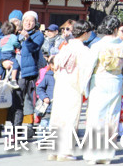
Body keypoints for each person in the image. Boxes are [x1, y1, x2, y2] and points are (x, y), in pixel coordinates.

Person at [77, 15, 123, 163]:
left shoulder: (98, 45)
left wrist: (85, 86)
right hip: (116, 81)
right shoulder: (122, 45)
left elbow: (89, 68)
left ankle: (92, 153)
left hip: (99, 82)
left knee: (95, 116)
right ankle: (106, 154)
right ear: (115, 28)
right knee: (111, 117)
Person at [49, 20, 94, 160]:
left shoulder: (66, 46)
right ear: (85, 33)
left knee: (57, 116)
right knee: (70, 117)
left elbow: (55, 63)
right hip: (74, 85)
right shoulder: (84, 50)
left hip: (61, 84)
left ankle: (53, 150)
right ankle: (65, 151)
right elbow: (87, 71)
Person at [15, 10, 45, 139]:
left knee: (28, 100)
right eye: (26, 20)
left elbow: (34, 48)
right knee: (16, 101)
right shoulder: (17, 35)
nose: (28, 23)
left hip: (30, 73)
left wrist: (27, 38)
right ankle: (15, 127)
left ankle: (28, 126)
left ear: (35, 23)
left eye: (31, 21)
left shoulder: (38, 36)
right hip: (16, 72)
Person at [34, 54, 55, 135]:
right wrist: (45, 97)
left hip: (58, 108)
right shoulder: (48, 76)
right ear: (51, 65)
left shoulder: (62, 76)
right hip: (47, 107)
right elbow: (39, 88)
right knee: (44, 124)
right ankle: (41, 142)